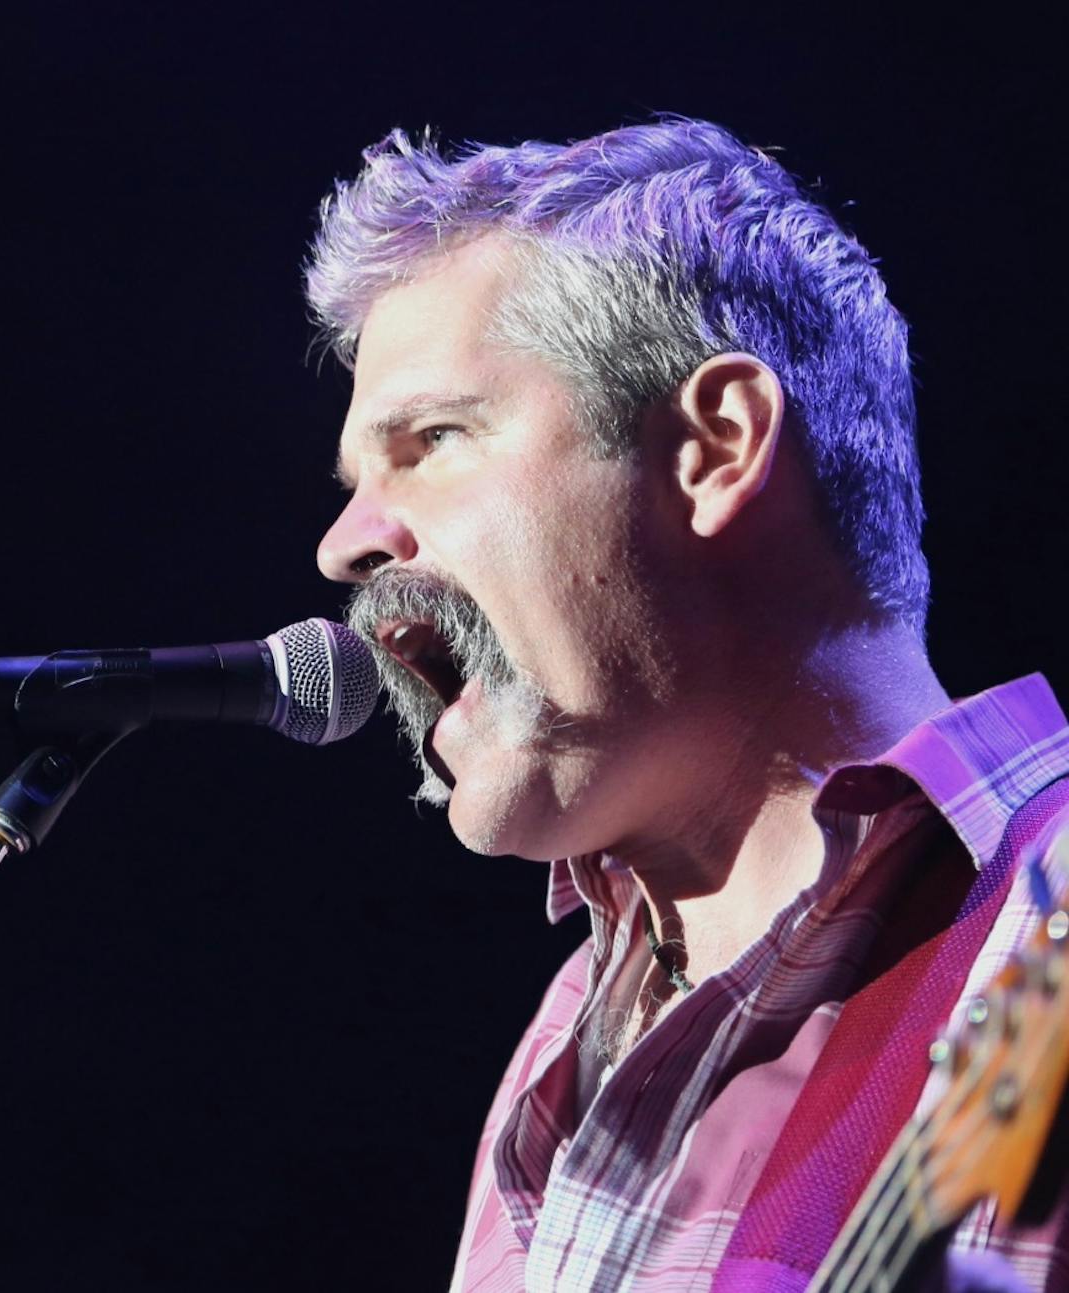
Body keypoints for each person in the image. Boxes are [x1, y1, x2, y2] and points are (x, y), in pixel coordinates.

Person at [305, 117, 1069, 1291]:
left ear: (715, 448)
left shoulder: (1046, 925)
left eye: (435, 439)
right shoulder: (568, 1036)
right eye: (360, 483)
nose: (345, 545)